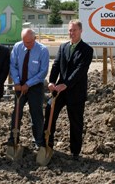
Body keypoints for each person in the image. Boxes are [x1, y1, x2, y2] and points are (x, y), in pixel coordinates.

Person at [42, 19, 93, 160]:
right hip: (59, 90)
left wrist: (67, 84)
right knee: (49, 110)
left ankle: (75, 152)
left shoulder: (87, 50)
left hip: (76, 91)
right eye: (70, 30)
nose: (71, 33)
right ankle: (47, 143)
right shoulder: (63, 47)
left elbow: (80, 70)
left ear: (81, 31)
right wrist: (52, 82)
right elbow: (56, 65)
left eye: (74, 30)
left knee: (76, 121)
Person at [7, 28, 49, 150]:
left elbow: (43, 72)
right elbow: (13, 65)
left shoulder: (43, 50)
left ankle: (39, 141)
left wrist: (28, 84)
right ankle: (13, 139)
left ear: (35, 39)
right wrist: (16, 81)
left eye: (29, 42)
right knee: (17, 113)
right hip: (19, 85)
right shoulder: (17, 47)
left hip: (35, 86)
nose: (27, 45)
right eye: (25, 42)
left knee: (36, 114)